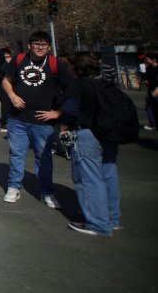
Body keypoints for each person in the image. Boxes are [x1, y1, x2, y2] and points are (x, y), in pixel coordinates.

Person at [1, 31, 73, 208]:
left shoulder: (56, 64)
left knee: (44, 157)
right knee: (17, 154)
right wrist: (12, 96)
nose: (40, 47)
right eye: (37, 43)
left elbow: (72, 90)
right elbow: (6, 80)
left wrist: (58, 113)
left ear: (49, 47)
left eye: (44, 44)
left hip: (43, 121)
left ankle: (46, 191)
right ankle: (13, 186)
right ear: (30, 45)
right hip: (17, 118)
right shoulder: (19, 60)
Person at [60, 52, 121, 237]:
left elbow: (70, 110)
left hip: (87, 134)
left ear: (76, 67)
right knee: (108, 175)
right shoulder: (106, 83)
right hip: (109, 134)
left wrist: (63, 128)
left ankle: (97, 222)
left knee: (88, 179)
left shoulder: (78, 85)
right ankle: (111, 218)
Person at [144, 52, 157, 131]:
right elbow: (147, 78)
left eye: (147, 59)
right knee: (149, 107)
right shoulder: (149, 68)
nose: (146, 60)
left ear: (154, 60)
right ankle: (153, 124)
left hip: (156, 90)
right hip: (151, 89)